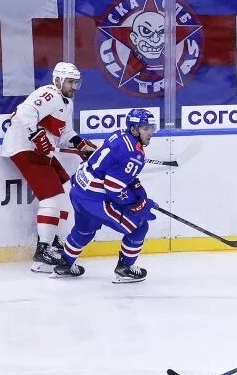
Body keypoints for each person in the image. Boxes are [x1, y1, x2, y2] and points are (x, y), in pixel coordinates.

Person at [1, 63, 96, 271]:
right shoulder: (48, 93)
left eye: (75, 82)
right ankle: (43, 249)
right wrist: (36, 135)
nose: (74, 86)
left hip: (42, 153)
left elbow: (65, 134)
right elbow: (21, 114)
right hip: (24, 148)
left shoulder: (67, 102)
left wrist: (81, 145)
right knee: (51, 197)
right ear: (58, 80)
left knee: (63, 193)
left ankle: (51, 244)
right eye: (70, 81)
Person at [54, 108, 159, 283]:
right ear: (134, 129)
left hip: (79, 190)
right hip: (95, 199)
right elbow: (113, 187)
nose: (151, 133)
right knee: (139, 226)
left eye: (151, 128)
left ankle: (65, 264)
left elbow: (114, 170)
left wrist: (139, 193)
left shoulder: (118, 134)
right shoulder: (134, 155)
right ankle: (125, 269)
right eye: (145, 128)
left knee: (85, 230)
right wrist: (138, 205)